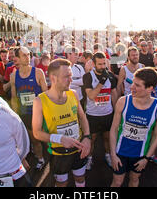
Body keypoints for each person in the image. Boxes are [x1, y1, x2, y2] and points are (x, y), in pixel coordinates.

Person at [32, 59, 91, 187]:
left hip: (78, 149)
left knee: (80, 178)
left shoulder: (73, 94)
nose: (71, 80)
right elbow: (36, 133)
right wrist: (59, 139)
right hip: (58, 153)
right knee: (62, 183)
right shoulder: (40, 101)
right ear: (53, 78)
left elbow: (82, 117)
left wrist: (87, 137)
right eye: (67, 77)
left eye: (71, 76)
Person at [109, 68, 157, 187]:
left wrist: (146, 158)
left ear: (150, 88)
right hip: (120, 152)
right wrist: (113, 155)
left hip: (140, 155)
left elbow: (156, 136)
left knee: (134, 180)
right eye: (133, 83)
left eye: (137, 85)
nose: (131, 87)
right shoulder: (123, 102)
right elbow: (114, 129)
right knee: (117, 181)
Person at [10, 46, 48, 170]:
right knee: (34, 139)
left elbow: (46, 94)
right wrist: (15, 116)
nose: (28, 57)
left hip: (39, 113)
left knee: (47, 137)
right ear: (17, 59)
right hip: (25, 114)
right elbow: (14, 98)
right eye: (24, 55)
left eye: (28, 54)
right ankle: (41, 159)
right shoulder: (14, 76)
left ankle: (54, 157)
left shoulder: (38, 72)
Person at [82, 51, 118, 170]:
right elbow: (91, 96)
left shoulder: (110, 76)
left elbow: (113, 93)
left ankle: (108, 155)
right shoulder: (88, 76)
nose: (103, 67)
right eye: (100, 64)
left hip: (107, 114)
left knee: (107, 137)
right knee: (91, 139)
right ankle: (89, 158)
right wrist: (102, 81)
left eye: (104, 64)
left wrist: (117, 110)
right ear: (93, 64)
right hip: (92, 115)